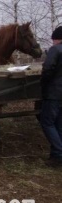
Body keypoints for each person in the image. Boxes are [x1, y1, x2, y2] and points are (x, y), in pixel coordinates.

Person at [39, 26, 62, 167]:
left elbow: (47, 69)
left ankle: (59, 153)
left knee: (47, 122)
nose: (52, 42)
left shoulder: (56, 50)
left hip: (54, 93)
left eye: (53, 39)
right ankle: (56, 155)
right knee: (59, 125)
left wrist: (43, 84)